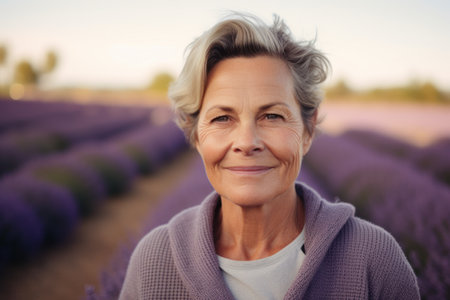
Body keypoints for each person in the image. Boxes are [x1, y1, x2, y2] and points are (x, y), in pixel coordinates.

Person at [119, 13, 420, 299]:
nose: (247, 142)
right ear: (196, 134)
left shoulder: (374, 258)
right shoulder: (155, 261)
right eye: (222, 118)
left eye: (272, 116)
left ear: (307, 129)